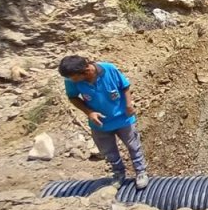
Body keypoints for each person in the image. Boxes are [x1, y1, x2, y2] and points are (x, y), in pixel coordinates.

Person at [58, 55, 149, 189]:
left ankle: (141, 172)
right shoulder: (72, 80)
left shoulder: (108, 69)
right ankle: (118, 174)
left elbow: (124, 86)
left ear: (85, 71)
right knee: (109, 151)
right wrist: (89, 112)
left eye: (73, 77)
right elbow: (73, 97)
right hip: (100, 123)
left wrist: (129, 105)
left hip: (122, 118)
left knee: (133, 146)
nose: (71, 80)